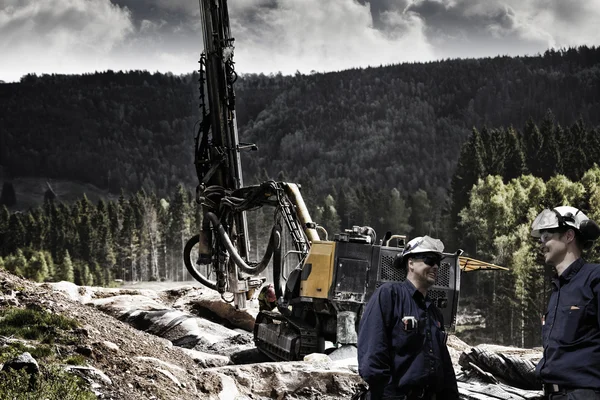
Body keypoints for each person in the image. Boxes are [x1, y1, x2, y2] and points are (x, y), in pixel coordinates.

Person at [357, 235, 459, 400]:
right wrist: (387, 394)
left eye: (438, 262)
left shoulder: (434, 312)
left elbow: (444, 365)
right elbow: (372, 352)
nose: (435, 266)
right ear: (410, 263)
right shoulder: (389, 295)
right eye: (429, 260)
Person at [530, 206, 600, 399]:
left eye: (547, 236)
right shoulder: (558, 290)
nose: (541, 244)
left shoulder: (594, 278)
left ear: (569, 236)